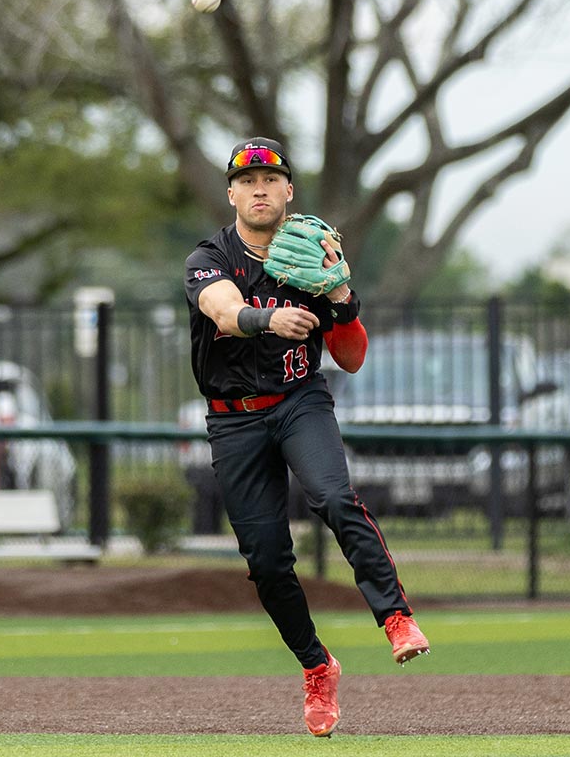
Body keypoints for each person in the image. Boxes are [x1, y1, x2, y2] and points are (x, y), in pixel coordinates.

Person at [183, 136, 429, 737]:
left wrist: (339, 293)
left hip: (299, 400)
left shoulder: (311, 253)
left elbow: (351, 358)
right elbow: (223, 311)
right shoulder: (208, 256)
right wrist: (270, 317)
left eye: (271, 179)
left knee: (332, 497)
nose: (259, 188)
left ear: (288, 190)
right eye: (247, 180)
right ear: (232, 193)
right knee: (266, 562)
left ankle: (395, 616)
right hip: (234, 416)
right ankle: (317, 666)